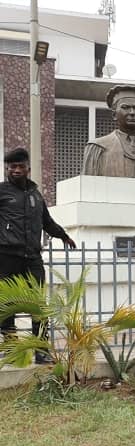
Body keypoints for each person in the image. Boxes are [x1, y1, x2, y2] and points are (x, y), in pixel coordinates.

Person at [1, 148, 76, 364]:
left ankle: (41, 350)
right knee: (7, 304)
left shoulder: (35, 195)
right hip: (6, 256)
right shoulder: (2, 191)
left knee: (38, 305)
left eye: (20, 166)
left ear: (28, 168)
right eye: (12, 167)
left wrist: (63, 236)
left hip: (32, 257)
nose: (16, 170)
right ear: (7, 168)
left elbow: (47, 221)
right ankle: (12, 349)